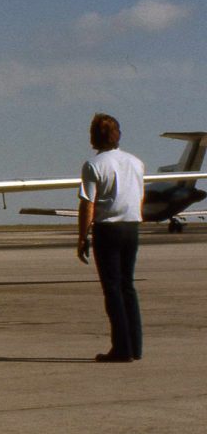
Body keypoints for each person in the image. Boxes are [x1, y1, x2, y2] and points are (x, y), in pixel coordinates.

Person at [77, 113, 145, 363]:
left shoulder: (94, 165)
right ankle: (135, 346)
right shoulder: (136, 162)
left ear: (94, 137)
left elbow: (88, 204)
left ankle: (121, 348)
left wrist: (82, 237)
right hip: (131, 227)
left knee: (113, 289)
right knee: (128, 286)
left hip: (108, 229)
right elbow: (138, 195)